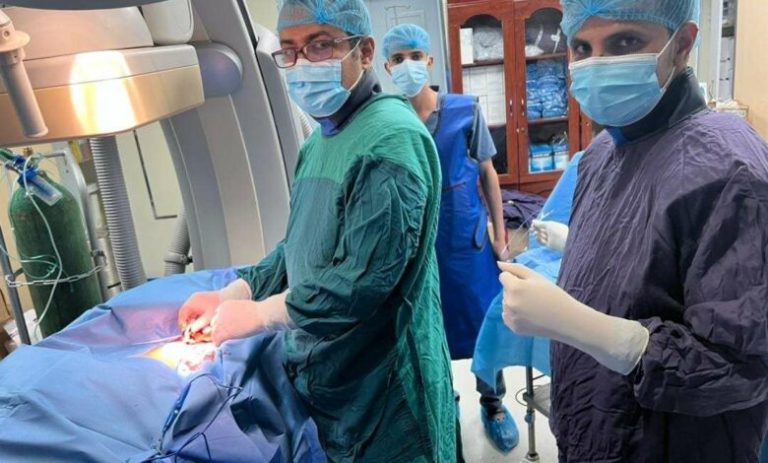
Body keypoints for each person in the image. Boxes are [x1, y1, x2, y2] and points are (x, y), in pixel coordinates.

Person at [178, 1, 458, 461]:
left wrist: (264, 314)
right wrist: (238, 291)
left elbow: (362, 282)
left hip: (385, 390)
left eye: (320, 45)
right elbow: (302, 243)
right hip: (334, 381)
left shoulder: (391, 141)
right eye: (290, 50)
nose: (303, 62)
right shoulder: (319, 144)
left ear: (364, 52)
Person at [498, 0, 768, 461]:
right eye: (582, 47)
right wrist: (577, 246)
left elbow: (741, 368)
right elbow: (652, 264)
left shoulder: (732, 170)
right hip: (592, 429)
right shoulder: (602, 153)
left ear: (682, 44)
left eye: (625, 41)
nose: (598, 65)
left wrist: (600, 334)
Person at [380, 23, 517, 454]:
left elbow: (488, 173)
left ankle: (493, 403)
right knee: (427, 327)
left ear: (430, 60)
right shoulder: (389, 118)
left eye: (414, 56)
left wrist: (500, 236)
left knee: (483, 322)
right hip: (416, 244)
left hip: (465, 242)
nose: (407, 65)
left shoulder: (464, 110)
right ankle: (444, 402)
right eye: (397, 59)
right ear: (386, 67)